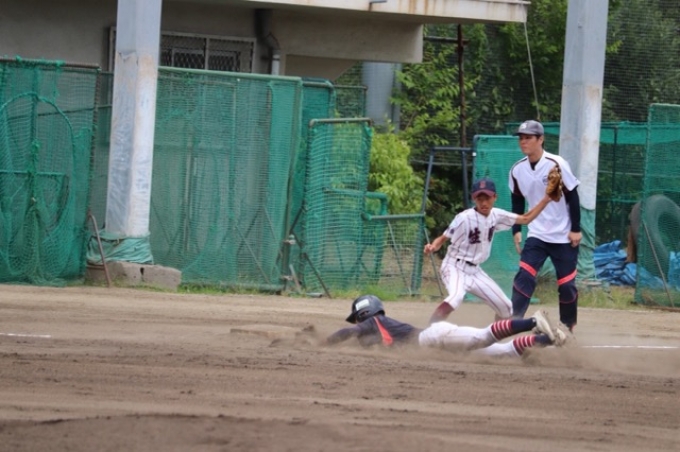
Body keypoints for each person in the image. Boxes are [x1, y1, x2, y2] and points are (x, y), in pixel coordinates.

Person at [424, 177, 553, 324]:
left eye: (487, 198)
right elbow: (442, 238)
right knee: (455, 298)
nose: (484, 203)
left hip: (475, 271)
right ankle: (429, 331)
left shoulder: (496, 215)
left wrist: (546, 199)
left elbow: (525, 219)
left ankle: (494, 335)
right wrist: (433, 246)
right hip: (454, 266)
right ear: (474, 199)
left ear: (495, 197)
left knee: (506, 308)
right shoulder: (464, 218)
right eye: (479, 199)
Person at [509, 120, 582, 332]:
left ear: (541, 139)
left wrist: (575, 229)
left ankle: (567, 328)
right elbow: (517, 200)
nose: (523, 142)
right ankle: (513, 322)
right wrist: (516, 229)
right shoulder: (517, 169)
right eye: (521, 138)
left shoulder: (556, 163)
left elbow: (573, 196)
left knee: (566, 285)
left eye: (528, 138)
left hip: (563, 235)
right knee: (524, 276)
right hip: (537, 234)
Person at [325, 295, 566, 359]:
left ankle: (532, 322)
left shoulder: (373, 322)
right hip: (439, 345)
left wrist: (323, 344)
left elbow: (348, 332)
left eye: (357, 317)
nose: (357, 323)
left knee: (483, 337)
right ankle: (548, 339)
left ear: (364, 313)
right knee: (504, 353)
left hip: (433, 338)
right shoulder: (376, 332)